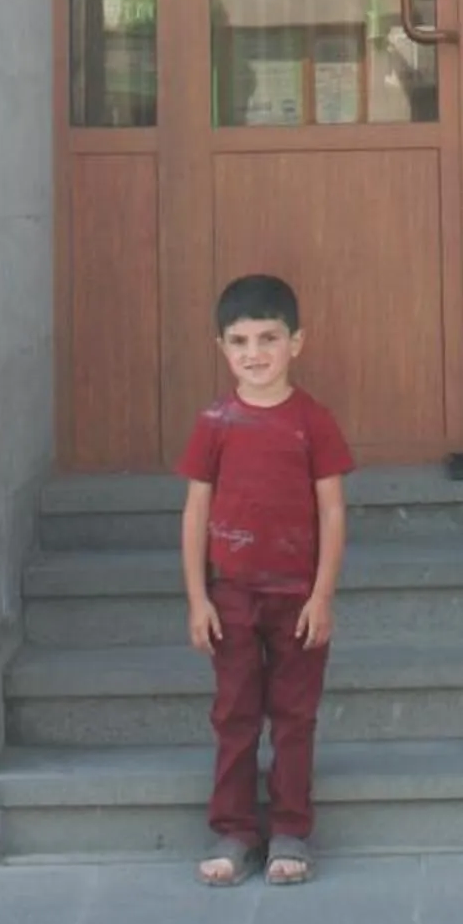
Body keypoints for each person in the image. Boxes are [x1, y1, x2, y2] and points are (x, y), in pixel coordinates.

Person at [176, 273, 352, 886]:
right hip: (233, 596)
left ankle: (290, 831)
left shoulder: (314, 422)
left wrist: (322, 595)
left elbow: (331, 509)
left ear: (296, 343)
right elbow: (197, 511)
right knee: (235, 712)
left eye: (268, 338)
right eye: (241, 341)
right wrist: (199, 598)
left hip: (298, 598)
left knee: (295, 715)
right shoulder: (215, 422)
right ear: (222, 348)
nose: (255, 353)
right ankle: (232, 830)